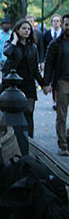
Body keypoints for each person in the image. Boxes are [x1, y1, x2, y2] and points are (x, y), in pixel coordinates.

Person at [2, 19, 48, 137]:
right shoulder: (10, 44)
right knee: (16, 113)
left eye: (29, 29)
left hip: (28, 83)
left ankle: (29, 140)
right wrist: (15, 41)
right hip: (14, 84)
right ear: (17, 30)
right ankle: (15, 138)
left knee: (29, 111)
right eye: (24, 28)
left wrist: (43, 84)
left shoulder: (32, 47)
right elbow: (7, 53)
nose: (27, 31)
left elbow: (35, 69)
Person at [42, 13, 69, 155]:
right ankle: (63, 144)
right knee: (62, 115)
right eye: (66, 24)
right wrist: (46, 83)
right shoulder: (56, 44)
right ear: (63, 25)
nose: (68, 27)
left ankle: (67, 139)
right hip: (62, 82)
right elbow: (49, 64)